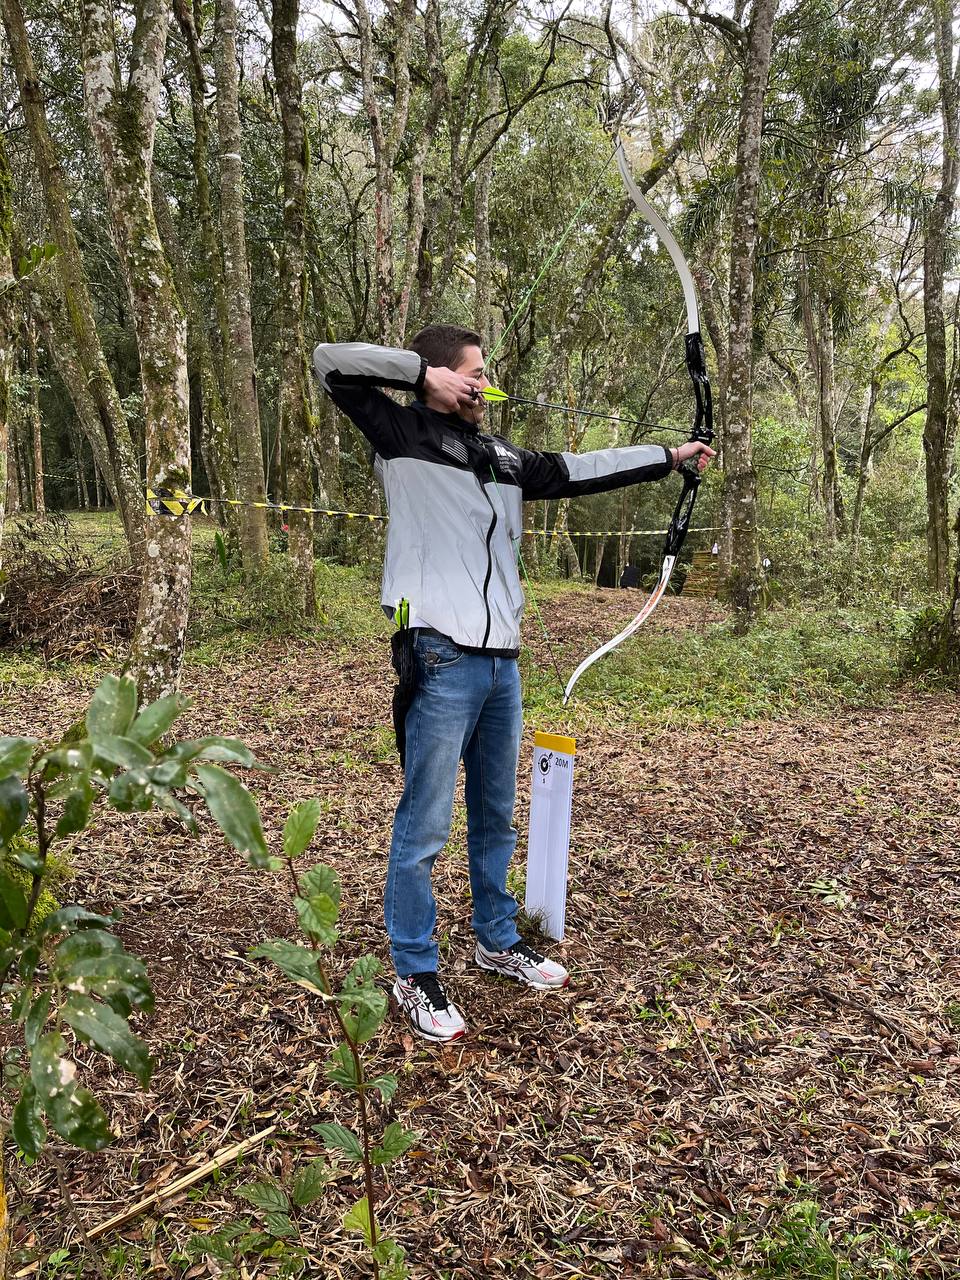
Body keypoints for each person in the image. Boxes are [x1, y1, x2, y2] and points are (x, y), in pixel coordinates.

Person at [313, 327, 714, 1042]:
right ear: (443, 377)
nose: (483, 386)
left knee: (496, 815)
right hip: (439, 653)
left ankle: (497, 939)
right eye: (472, 375)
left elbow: (581, 468)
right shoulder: (399, 433)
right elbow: (329, 362)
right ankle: (415, 971)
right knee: (426, 823)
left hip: (502, 662)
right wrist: (419, 374)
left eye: (484, 376)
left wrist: (671, 456)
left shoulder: (501, 456)